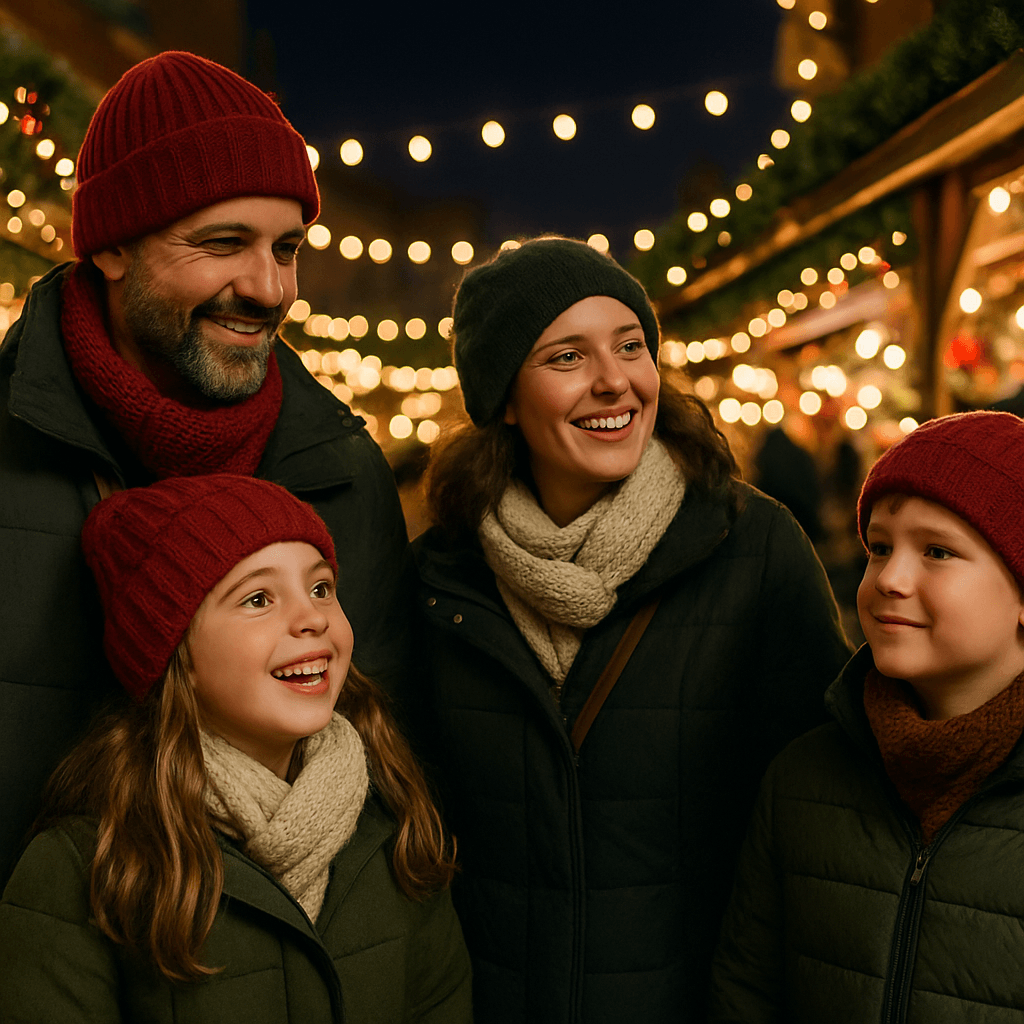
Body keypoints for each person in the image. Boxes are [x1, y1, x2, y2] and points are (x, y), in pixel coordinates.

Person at [413, 236, 851, 1023]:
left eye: (630, 346)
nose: (614, 380)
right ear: (502, 396)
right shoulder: (441, 579)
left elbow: (825, 826)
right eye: (566, 357)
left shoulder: (753, 549)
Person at [0, 51, 413, 883]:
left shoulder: (341, 470)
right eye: (225, 243)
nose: (269, 288)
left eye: (287, 247)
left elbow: (392, 765)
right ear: (112, 247)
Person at [0, 475, 471, 1024]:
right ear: (176, 655)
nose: (312, 617)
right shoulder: (87, 867)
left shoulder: (397, 824)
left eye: (321, 588)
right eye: (258, 598)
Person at [709, 411, 1024, 1022]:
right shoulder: (804, 781)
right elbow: (746, 992)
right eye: (879, 548)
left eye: (937, 551)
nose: (889, 579)